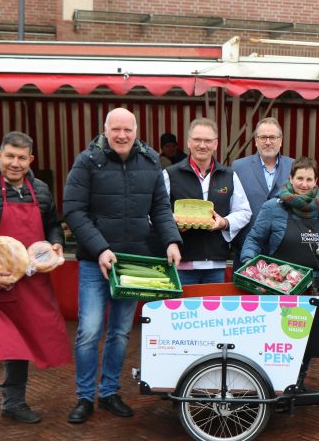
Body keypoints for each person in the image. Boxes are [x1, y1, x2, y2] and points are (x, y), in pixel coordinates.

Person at [63, 107, 182, 424]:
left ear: (136, 130)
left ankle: (110, 392)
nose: (121, 135)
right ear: (105, 129)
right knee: (88, 332)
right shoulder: (87, 161)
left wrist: (171, 240)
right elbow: (73, 211)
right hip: (95, 263)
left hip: (132, 264)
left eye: (127, 129)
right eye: (115, 129)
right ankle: (85, 397)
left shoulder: (150, 161)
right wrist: (100, 248)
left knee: (119, 333)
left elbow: (160, 208)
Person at [0, 131, 69, 435]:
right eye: (9, 156)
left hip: (30, 283)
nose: (15, 163)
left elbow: (52, 226)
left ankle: (14, 403)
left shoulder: (41, 191)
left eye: (21, 158)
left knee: (23, 344)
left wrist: (55, 244)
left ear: (31, 159)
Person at [239, 156, 319, 389]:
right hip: (278, 288)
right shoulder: (272, 208)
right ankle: (274, 381)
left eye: (309, 179)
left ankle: (297, 380)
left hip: (315, 286)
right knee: (278, 338)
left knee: (305, 339)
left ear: (316, 181)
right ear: (291, 178)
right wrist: (249, 264)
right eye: (300, 178)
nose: (304, 184)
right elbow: (254, 239)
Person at [163, 118, 251, 285]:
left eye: (208, 141)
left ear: (216, 144)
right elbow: (155, 211)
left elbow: (244, 211)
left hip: (216, 265)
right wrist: (173, 222)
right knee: (183, 311)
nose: (202, 145)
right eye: (197, 140)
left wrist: (224, 222)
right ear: (189, 142)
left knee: (214, 311)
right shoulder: (170, 174)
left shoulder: (228, 175)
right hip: (181, 264)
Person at [232, 117, 294, 269]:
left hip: (285, 253)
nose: (268, 142)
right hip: (246, 251)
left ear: (280, 140)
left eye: (272, 137)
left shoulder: (294, 166)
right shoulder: (238, 167)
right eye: (263, 137)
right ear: (255, 141)